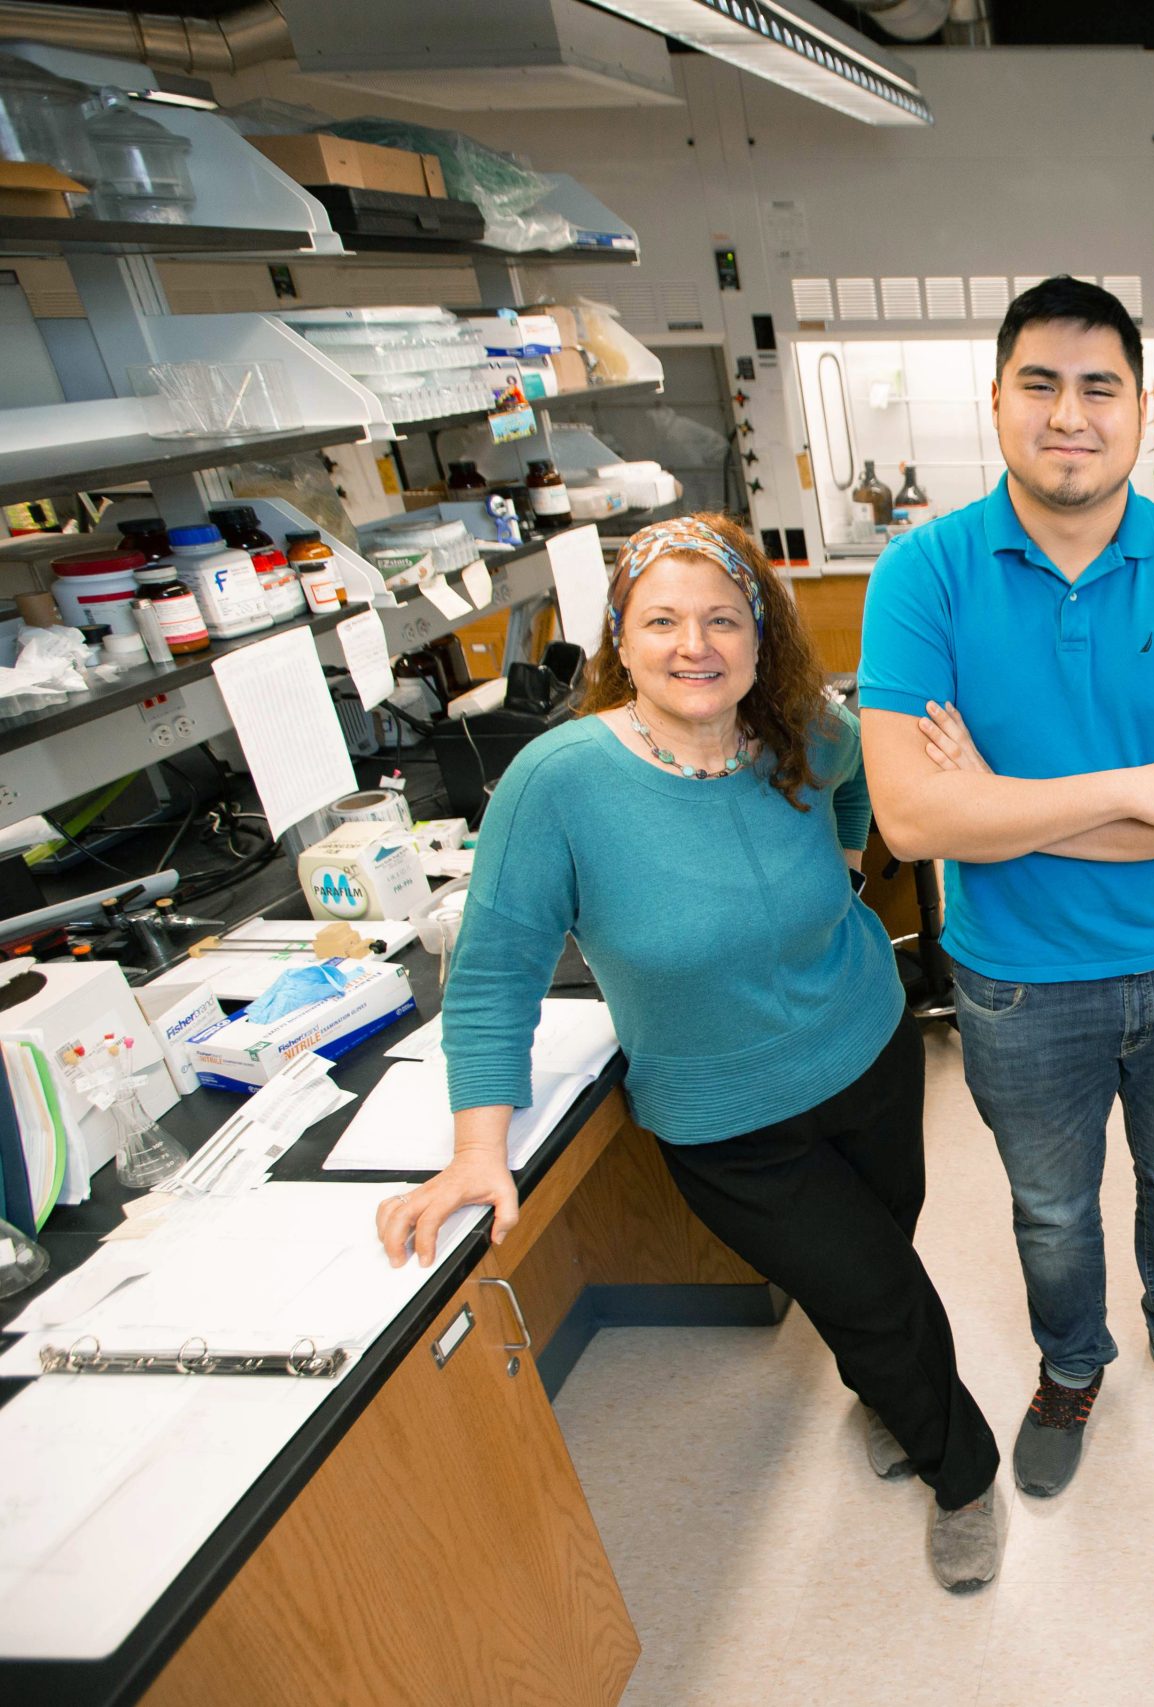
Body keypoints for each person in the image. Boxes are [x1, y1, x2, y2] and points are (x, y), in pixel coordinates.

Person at [377, 513, 1005, 1593]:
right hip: (729, 1121)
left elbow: (860, 787)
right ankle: (965, 1478)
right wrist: (479, 1145)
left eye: (721, 618)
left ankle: (892, 1394)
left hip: (868, 1049)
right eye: (660, 619)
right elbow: (491, 973)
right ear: (620, 636)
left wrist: (847, 855)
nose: (693, 644)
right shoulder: (557, 782)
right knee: (877, 1292)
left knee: (877, 1268)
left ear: (761, 636)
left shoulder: (807, 728)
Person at [859, 277, 1154, 1500]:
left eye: (1100, 387)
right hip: (1016, 986)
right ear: (996, 400)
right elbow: (910, 817)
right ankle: (1073, 1364)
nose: (1069, 414)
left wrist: (1002, 811)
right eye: (1039, 384)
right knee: (1049, 1210)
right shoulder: (922, 574)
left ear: (1143, 410)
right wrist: (1144, 793)